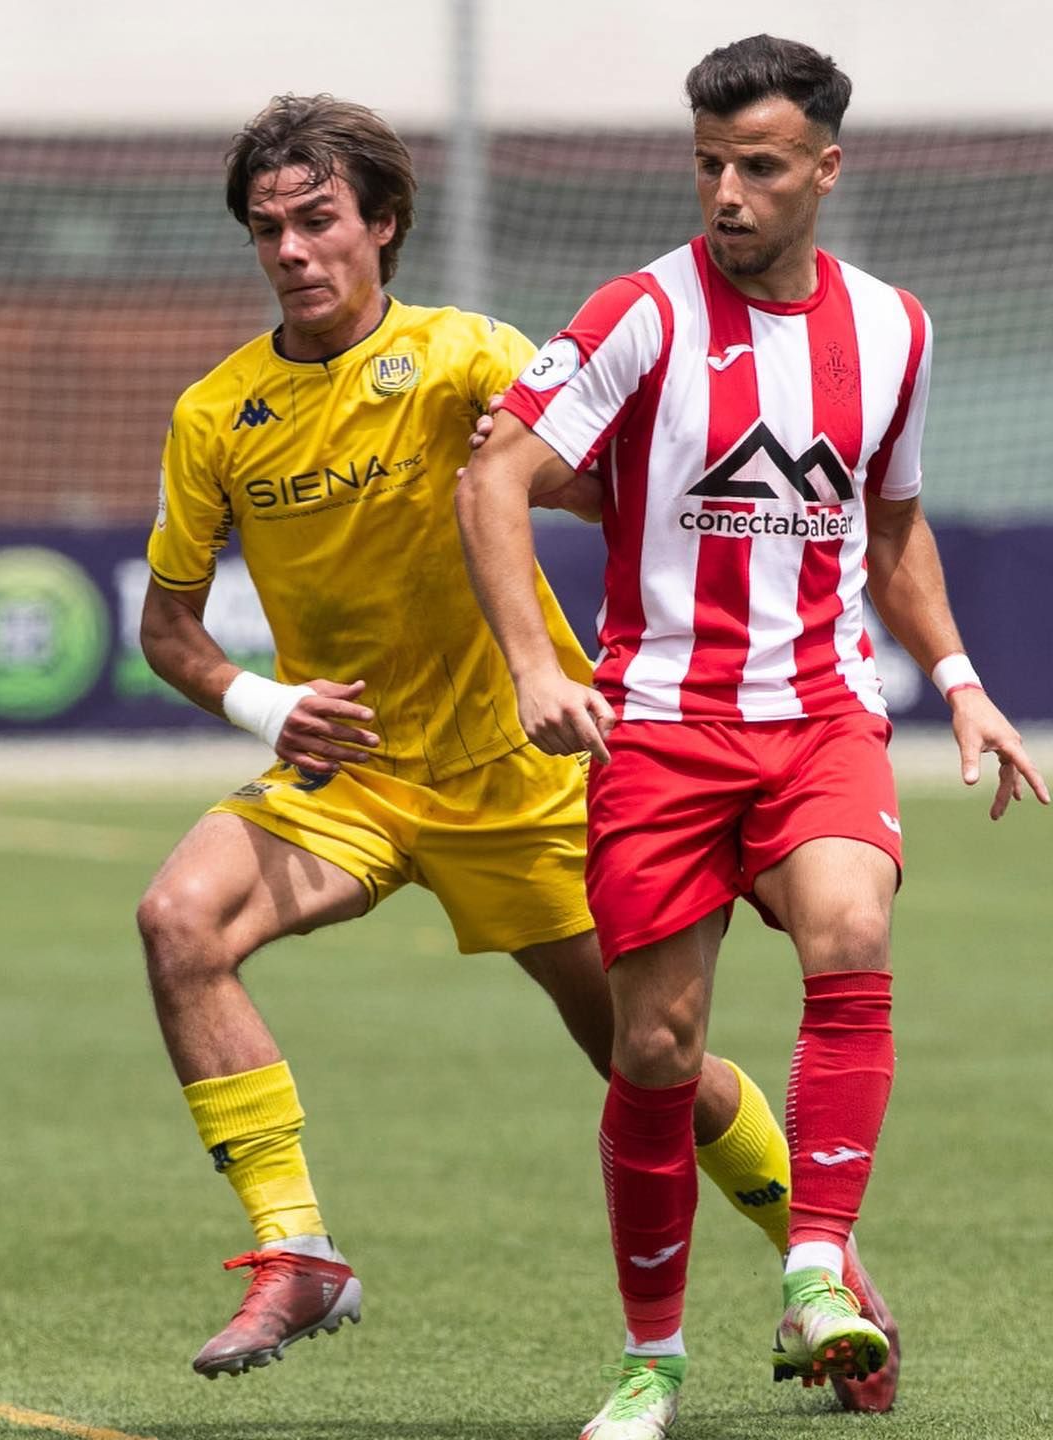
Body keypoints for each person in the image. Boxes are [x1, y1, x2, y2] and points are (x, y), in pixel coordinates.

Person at [134, 92, 887, 1393]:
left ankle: (816, 1261)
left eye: (319, 221)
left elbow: (623, 481)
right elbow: (169, 630)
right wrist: (267, 705)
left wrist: (569, 497)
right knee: (177, 920)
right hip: (346, 779)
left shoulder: (469, 356)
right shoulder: (217, 415)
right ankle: (296, 1250)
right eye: (269, 232)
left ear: (381, 224)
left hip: (523, 786)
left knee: (651, 1062)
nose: (293, 251)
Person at [457, 34, 1048, 1440]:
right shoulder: (637, 317)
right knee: (654, 1052)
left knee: (852, 926)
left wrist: (958, 676)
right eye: (711, 163)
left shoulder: (894, 328)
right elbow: (496, 479)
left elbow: (886, 527)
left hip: (823, 717)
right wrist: (538, 666)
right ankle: (649, 1362)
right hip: (657, 729)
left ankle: (814, 1269)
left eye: (761, 166)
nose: (729, 191)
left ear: (825, 171)